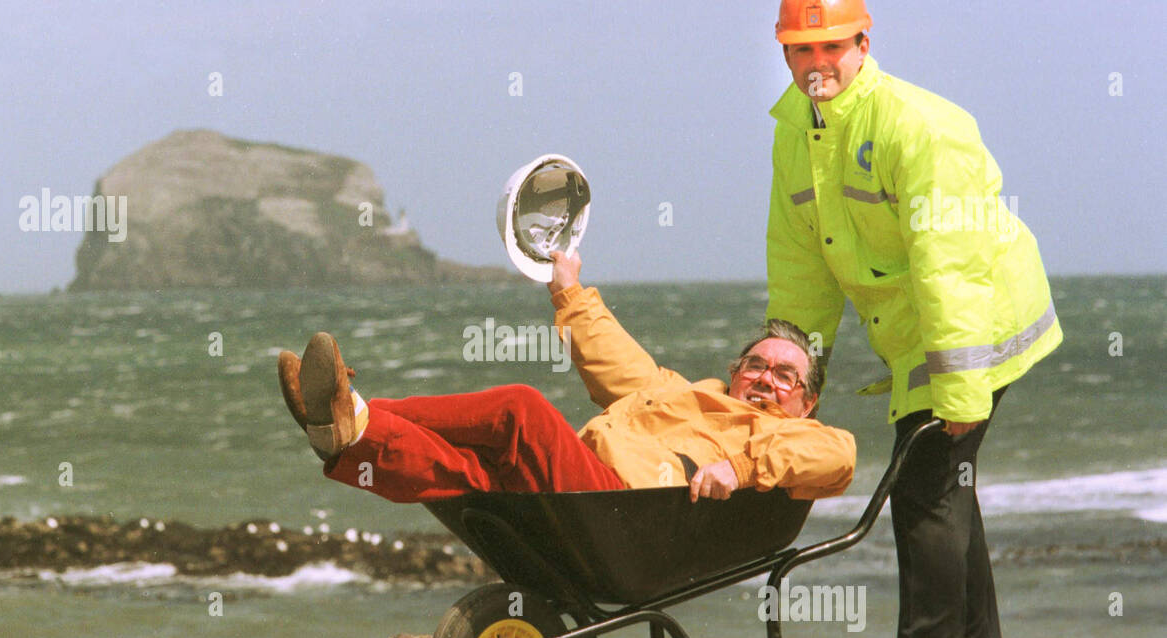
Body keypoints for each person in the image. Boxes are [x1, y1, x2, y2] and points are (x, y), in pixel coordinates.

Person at [765, 0, 1063, 638]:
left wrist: (961, 392)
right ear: (785, 51)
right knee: (948, 489)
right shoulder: (797, 129)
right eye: (802, 48)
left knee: (925, 492)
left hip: (974, 319)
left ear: (865, 42)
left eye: (832, 44)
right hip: (922, 326)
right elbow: (801, 261)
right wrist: (799, 365)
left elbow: (950, 267)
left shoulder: (920, 127)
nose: (817, 62)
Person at [277, 248, 856, 506]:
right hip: (589, 500)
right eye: (756, 364)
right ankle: (344, 433)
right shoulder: (684, 395)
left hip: (627, 510)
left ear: (806, 401)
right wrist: (566, 286)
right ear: (734, 373)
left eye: (786, 375)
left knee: (519, 410)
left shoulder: (796, 436)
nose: (766, 378)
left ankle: (352, 409)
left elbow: (840, 459)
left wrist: (740, 466)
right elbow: (615, 358)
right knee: (461, 471)